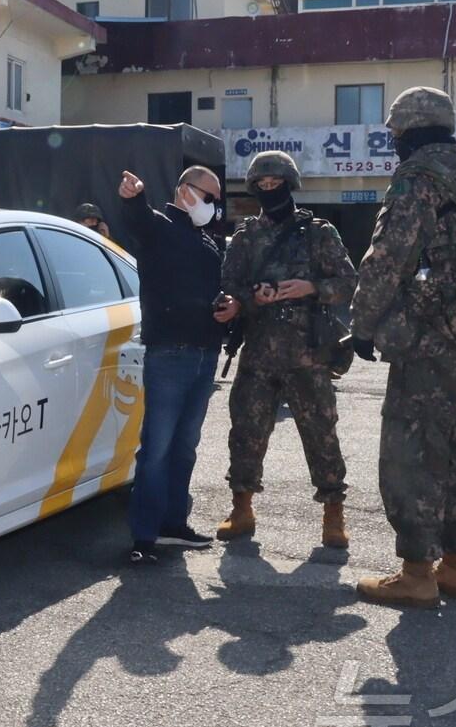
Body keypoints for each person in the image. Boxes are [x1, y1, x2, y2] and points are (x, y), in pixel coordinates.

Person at [350, 86, 456, 607]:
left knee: (412, 453)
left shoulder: (417, 180)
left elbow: (388, 257)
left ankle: (416, 572)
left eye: (395, 133)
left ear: (407, 130)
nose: (394, 142)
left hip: (428, 342)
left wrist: (362, 325)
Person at [215, 151, 358, 548]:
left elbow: (348, 281)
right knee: (246, 431)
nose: (268, 190)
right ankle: (241, 508)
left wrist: (311, 287)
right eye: (261, 186)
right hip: (259, 352)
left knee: (321, 434)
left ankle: (333, 514)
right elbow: (229, 285)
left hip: (308, 353)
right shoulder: (245, 237)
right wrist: (250, 298)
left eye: (275, 184)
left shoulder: (318, 233)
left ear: (289, 185)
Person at [119, 165, 237, 564]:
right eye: (209, 197)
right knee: (157, 447)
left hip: (205, 353)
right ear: (186, 192)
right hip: (170, 352)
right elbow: (138, 220)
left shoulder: (206, 240)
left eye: (217, 201)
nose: (214, 207)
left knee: (185, 447)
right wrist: (134, 198)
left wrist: (226, 308)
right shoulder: (161, 226)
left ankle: (173, 525)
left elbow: (215, 288)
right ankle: (145, 536)